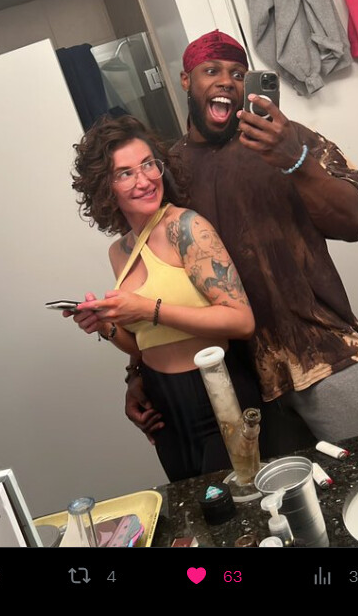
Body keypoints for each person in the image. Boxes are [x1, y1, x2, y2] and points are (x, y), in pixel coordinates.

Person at [124, 30, 358, 453]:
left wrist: (295, 160)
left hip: (327, 355)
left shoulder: (289, 138)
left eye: (238, 73)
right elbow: (154, 275)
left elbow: (353, 223)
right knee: (289, 495)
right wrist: (137, 371)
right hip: (241, 384)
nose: (226, 81)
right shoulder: (168, 173)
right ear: (186, 81)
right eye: (211, 71)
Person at [65, 114, 262, 482]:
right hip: (164, 408)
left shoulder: (186, 227)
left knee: (240, 503)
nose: (144, 180)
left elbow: (241, 321)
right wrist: (107, 327)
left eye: (148, 165)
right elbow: (146, 344)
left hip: (215, 394)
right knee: (193, 511)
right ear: (105, 187)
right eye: (125, 173)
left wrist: (148, 309)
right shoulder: (119, 252)